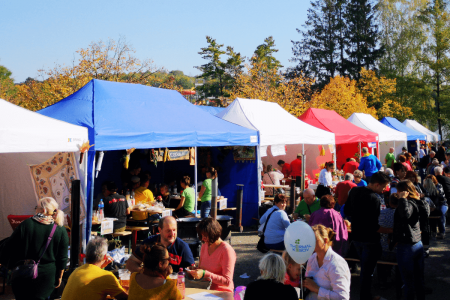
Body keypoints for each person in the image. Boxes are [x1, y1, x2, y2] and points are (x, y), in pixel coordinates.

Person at [4, 197, 68, 300]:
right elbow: (63, 258)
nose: (35, 210)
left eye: (36, 207)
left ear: (43, 210)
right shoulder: (60, 230)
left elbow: (9, 247)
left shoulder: (26, 224)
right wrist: (59, 277)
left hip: (24, 276)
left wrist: (9, 266)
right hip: (46, 279)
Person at [344, 172, 392, 300]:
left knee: (365, 271)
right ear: (377, 184)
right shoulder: (374, 198)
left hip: (356, 237)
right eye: (383, 187)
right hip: (370, 240)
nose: (384, 190)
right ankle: (365, 296)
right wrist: (390, 230)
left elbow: (347, 210)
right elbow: (374, 226)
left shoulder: (354, 191)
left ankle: (365, 295)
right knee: (367, 272)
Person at [62, 237, 127, 300]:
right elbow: (125, 298)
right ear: (105, 257)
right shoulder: (106, 276)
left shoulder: (76, 271)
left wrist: (101, 266)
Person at [393, 181, 427, 299]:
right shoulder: (417, 202)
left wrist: (402, 199)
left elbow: (405, 215)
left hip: (407, 244)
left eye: (398, 191)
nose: (396, 193)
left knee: (409, 282)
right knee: (418, 279)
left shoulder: (408, 203)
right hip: (417, 242)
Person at [126, 216, 195, 272]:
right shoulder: (149, 242)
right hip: (152, 284)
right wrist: (144, 273)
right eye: (168, 230)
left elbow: (191, 270)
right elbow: (131, 262)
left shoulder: (182, 247)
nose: (172, 234)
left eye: (174, 230)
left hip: (173, 284)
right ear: (159, 230)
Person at [186, 218, 236, 292]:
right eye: (201, 235)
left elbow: (227, 281)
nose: (203, 238)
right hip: (204, 288)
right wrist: (194, 271)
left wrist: (204, 273)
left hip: (221, 292)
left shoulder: (227, 250)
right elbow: (203, 270)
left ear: (214, 233)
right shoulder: (204, 246)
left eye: (205, 235)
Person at [304, 225, 351, 300]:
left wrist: (317, 289)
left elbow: (343, 297)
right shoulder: (312, 258)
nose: (310, 242)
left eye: (314, 239)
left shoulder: (337, 264)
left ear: (325, 241)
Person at [377, 194, 399, 289]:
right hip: (398, 250)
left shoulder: (381, 213)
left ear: (389, 202)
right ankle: (398, 280)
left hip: (382, 249)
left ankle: (382, 281)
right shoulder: (403, 214)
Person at [423, 175, 448, 239]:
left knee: (441, 213)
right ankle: (433, 231)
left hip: (442, 203)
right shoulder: (425, 187)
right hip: (432, 205)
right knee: (430, 212)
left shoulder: (439, 186)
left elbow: (441, 197)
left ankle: (442, 231)